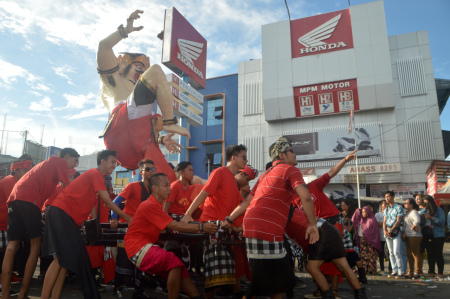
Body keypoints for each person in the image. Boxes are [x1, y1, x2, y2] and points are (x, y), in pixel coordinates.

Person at [97, 9, 188, 181]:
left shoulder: (141, 102)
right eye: (138, 65)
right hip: (120, 127)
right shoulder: (112, 79)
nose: (142, 69)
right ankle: (170, 122)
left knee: (167, 180)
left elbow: (143, 129)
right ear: (123, 64)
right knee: (155, 71)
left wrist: (161, 141)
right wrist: (125, 31)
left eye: (143, 67)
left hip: (137, 146)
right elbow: (104, 46)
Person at [225, 137, 319, 299]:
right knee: (260, 285)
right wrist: (312, 224)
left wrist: (228, 220)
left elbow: (247, 201)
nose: (295, 155)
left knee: (275, 283)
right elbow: (306, 196)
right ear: (282, 156)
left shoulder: (265, 174)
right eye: (291, 151)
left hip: (253, 228)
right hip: (268, 231)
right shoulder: (290, 170)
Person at [40, 150, 132, 299]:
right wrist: (127, 218)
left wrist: (94, 224)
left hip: (65, 216)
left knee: (65, 261)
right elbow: (108, 202)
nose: (114, 165)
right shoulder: (95, 173)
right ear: (102, 161)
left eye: (115, 162)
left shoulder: (97, 178)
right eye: (112, 162)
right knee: (60, 258)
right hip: (61, 213)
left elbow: (93, 205)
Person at [124, 173, 218, 299]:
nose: (170, 188)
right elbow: (173, 225)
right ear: (155, 188)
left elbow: (166, 227)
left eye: (170, 185)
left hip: (141, 246)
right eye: (166, 185)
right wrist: (202, 227)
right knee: (174, 262)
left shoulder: (156, 206)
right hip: (137, 247)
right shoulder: (149, 205)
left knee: (181, 270)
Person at [2, 148, 79, 299]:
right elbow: (67, 189)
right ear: (67, 156)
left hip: (14, 199)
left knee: (12, 246)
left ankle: (4, 294)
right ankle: (23, 293)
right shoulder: (59, 161)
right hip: (30, 200)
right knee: (35, 246)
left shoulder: (47, 166)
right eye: (74, 160)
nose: (74, 165)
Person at [182, 145, 248, 298]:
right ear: (234, 158)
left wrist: (237, 227)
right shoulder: (219, 172)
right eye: (244, 157)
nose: (246, 160)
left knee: (226, 269)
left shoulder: (232, 179)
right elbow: (204, 193)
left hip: (223, 228)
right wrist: (188, 214)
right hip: (212, 226)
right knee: (213, 272)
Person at [286, 208, 367, 299]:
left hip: (321, 231)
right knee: (344, 267)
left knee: (312, 267)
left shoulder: (283, 212)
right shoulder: (289, 212)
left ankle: (328, 295)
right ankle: (360, 295)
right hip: (330, 229)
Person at [110, 159, 155, 298]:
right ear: (141, 171)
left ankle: (139, 290)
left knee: (142, 259)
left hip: (144, 229)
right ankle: (116, 287)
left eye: (153, 169)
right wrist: (114, 218)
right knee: (123, 259)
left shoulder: (154, 190)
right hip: (127, 227)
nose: (151, 171)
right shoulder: (133, 186)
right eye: (147, 169)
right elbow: (115, 202)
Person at [0, 159, 33, 296]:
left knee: (5, 254)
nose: (28, 173)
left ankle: (4, 285)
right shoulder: (9, 181)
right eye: (25, 170)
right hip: (2, 223)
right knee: (2, 254)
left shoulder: (17, 182)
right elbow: (16, 203)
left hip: (7, 223)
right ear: (17, 170)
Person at [352, 206, 381, 275]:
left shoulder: (372, 220)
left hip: (372, 241)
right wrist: (360, 209)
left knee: (371, 255)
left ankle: (371, 270)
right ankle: (364, 270)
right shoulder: (361, 220)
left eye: (365, 212)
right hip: (362, 239)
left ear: (368, 212)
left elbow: (375, 232)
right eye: (362, 212)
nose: (363, 213)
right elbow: (355, 215)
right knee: (363, 255)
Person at [422, 195, 445, 279]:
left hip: (438, 235)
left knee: (438, 254)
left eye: (428, 204)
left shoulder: (439, 210)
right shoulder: (423, 211)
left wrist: (432, 218)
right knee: (430, 254)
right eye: (425, 204)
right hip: (428, 235)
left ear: (431, 203)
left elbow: (442, 222)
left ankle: (440, 272)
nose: (426, 205)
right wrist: (422, 219)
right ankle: (431, 271)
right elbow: (420, 224)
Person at [383, 191, 405, 279]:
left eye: (388, 196)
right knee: (391, 252)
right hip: (387, 232)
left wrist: (391, 230)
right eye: (385, 197)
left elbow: (398, 220)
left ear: (392, 197)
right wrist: (384, 231)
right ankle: (394, 270)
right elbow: (384, 221)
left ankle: (401, 271)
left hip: (396, 232)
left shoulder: (399, 208)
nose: (386, 198)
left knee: (397, 252)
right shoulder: (386, 209)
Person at [402, 198, 422, 279]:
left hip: (415, 236)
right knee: (409, 254)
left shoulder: (414, 212)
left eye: (407, 203)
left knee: (415, 254)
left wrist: (413, 226)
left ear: (411, 204)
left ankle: (417, 272)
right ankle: (410, 271)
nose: (405, 204)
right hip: (408, 235)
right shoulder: (408, 213)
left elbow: (417, 220)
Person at [375, 200, 390, 274]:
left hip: (390, 236)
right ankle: (382, 269)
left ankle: (390, 269)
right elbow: (377, 224)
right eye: (385, 204)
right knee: (381, 254)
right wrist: (389, 224)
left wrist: (384, 223)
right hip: (381, 237)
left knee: (390, 253)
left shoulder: (391, 213)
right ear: (381, 205)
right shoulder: (378, 215)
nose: (386, 205)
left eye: (387, 204)